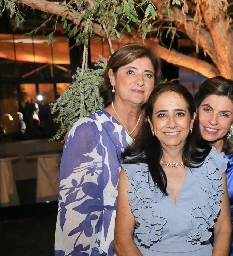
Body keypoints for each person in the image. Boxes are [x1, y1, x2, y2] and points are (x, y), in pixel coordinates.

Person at [55, 44, 161, 255]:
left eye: (147, 74)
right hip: (104, 247)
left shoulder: (157, 129)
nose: (140, 81)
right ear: (112, 78)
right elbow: (74, 215)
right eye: (130, 72)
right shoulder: (88, 131)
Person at [114, 82, 232, 255]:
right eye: (162, 115)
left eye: (179, 114)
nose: (171, 123)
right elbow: (122, 241)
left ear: (192, 119)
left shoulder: (213, 165)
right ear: (151, 122)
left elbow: (223, 229)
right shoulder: (133, 170)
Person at [194, 76, 233, 256]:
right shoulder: (176, 152)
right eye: (207, 110)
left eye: (224, 114)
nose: (213, 120)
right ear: (195, 110)